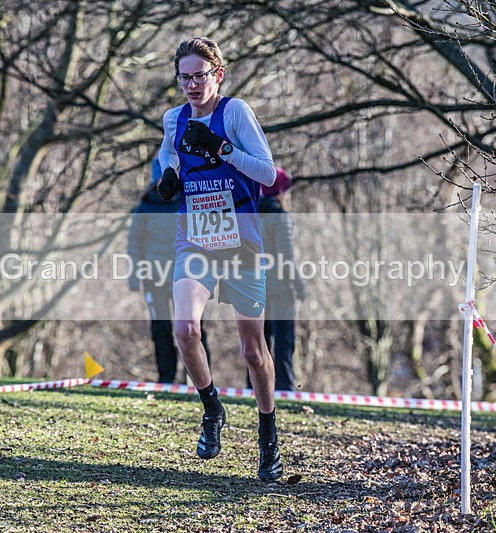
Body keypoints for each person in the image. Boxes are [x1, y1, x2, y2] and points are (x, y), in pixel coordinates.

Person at [156, 36, 282, 481]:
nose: (191, 85)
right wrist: (168, 177)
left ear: (218, 74)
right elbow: (167, 157)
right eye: (183, 77)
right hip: (196, 239)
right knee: (185, 329)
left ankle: (268, 432)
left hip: (242, 242)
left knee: (253, 352)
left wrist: (222, 148)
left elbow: (268, 174)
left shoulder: (236, 112)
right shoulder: (174, 119)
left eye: (199, 76)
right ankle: (212, 409)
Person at [127, 158, 212, 384]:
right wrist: (134, 273)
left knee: (193, 327)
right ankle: (166, 378)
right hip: (153, 276)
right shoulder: (144, 208)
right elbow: (134, 242)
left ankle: (202, 380)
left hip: (186, 276)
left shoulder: (187, 203)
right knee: (161, 328)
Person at [258, 167, 306, 392]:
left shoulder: (250, 213)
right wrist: (299, 284)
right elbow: (286, 256)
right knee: (284, 343)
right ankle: (285, 387)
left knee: (259, 342)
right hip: (280, 289)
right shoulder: (280, 217)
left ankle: (256, 387)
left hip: (256, 286)